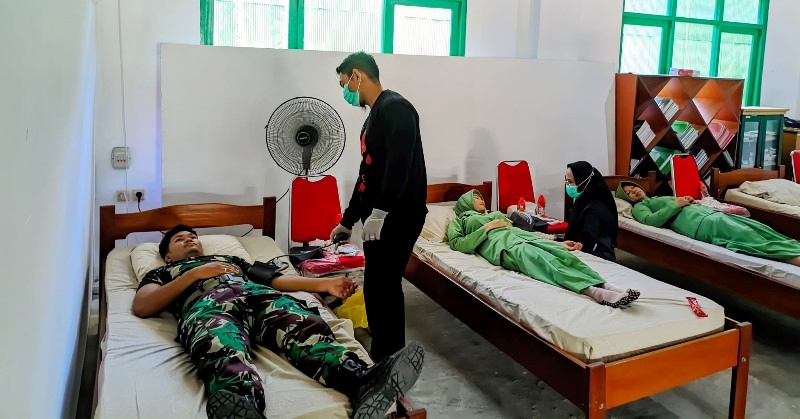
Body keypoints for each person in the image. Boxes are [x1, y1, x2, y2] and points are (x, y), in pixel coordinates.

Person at [133, 225, 425, 419]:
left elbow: (276, 280)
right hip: (209, 305)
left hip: (256, 295)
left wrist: (324, 285)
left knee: (302, 323)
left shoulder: (231, 260)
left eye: (193, 236)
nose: (189, 239)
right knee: (219, 344)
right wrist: (194, 274)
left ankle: (359, 381)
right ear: (168, 255)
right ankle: (241, 405)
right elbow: (143, 306)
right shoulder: (163, 273)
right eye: (180, 239)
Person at [329, 52, 428, 362]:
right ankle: (384, 355)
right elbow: (367, 174)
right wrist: (348, 220)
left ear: (358, 76)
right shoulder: (373, 116)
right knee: (375, 287)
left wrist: (381, 211)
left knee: (385, 287)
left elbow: (400, 164)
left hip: (399, 216)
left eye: (345, 84)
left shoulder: (397, 108)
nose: (346, 92)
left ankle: (391, 358)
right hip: (380, 217)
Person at [447, 190, 640, 307]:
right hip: (504, 245)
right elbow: (457, 244)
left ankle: (605, 285)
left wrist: (556, 242)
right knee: (544, 261)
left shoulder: (495, 214)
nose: (481, 199)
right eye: (475, 197)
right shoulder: (461, 221)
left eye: (481, 196)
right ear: (465, 202)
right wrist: (487, 227)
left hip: (520, 236)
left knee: (563, 255)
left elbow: (519, 229)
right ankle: (594, 292)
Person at [616, 181, 800, 266]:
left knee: (762, 230)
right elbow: (651, 221)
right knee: (752, 240)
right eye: (628, 193)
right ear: (628, 199)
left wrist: (687, 201)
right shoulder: (639, 207)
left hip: (711, 215)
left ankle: (795, 248)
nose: (633, 191)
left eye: (633, 187)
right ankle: (794, 258)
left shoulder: (657, 198)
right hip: (702, 224)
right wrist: (676, 204)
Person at [564, 161, 618, 261]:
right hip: (582, 250)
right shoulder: (582, 199)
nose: (567, 185)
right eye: (566, 181)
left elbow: (589, 244)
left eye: (570, 182)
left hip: (598, 258)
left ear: (583, 181)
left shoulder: (594, 209)